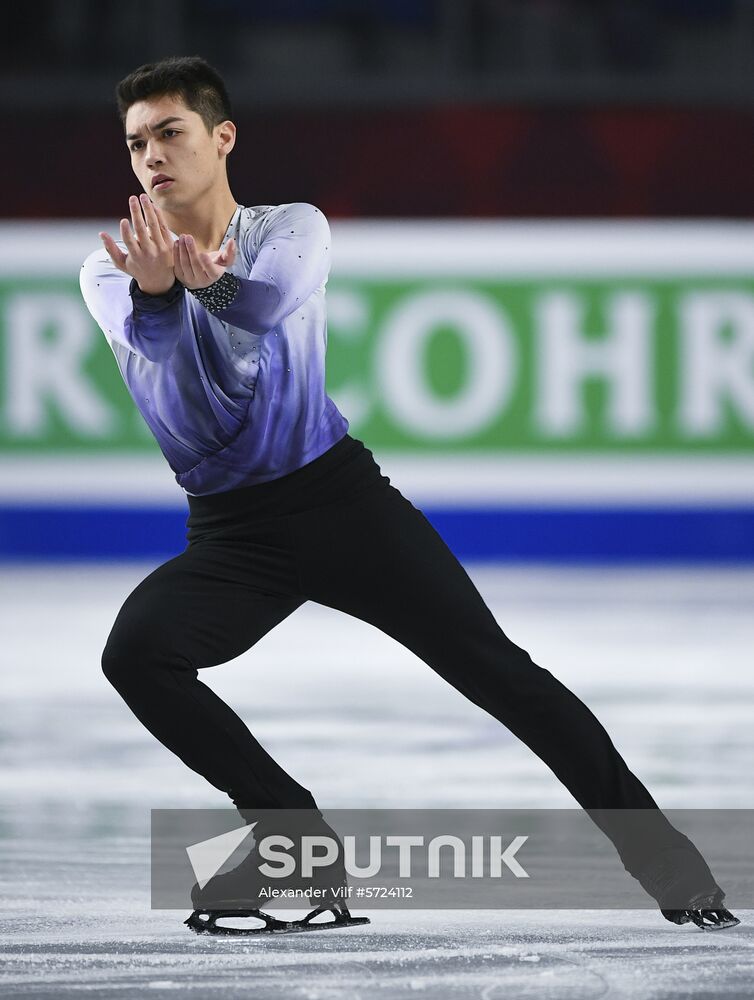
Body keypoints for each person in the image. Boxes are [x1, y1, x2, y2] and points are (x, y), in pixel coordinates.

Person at [79, 55, 738, 934]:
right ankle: (295, 841)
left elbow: (268, 308)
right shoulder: (110, 270)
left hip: (342, 506)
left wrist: (203, 283)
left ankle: (675, 873)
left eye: (170, 133)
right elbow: (172, 383)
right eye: (136, 144)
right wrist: (161, 299)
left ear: (222, 136)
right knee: (136, 653)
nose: (152, 158)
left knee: (504, 678)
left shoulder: (289, 229)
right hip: (233, 535)